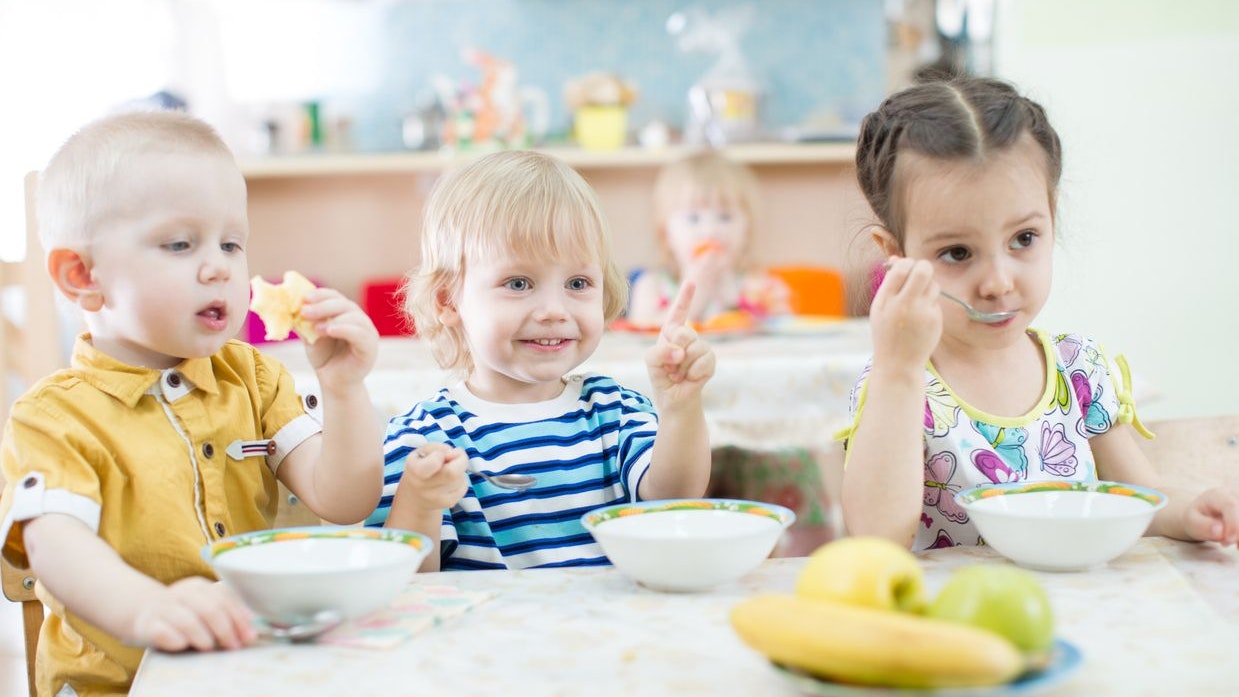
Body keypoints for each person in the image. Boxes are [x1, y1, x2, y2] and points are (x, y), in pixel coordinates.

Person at [0, 110, 384, 696]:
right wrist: (150, 610)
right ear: (82, 275)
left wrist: (344, 389)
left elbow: (344, 500)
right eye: (180, 244)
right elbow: (55, 547)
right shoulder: (53, 419)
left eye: (233, 243)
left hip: (248, 667)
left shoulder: (254, 377)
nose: (218, 267)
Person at [837, 77, 1239, 551]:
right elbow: (877, 538)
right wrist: (898, 369)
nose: (998, 282)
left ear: (1052, 216)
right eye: (958, 252)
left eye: (1023, 239)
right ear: (895, 255)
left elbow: (1139, 497)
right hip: (958, 619)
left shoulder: (1079, 369)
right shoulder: (898, 386)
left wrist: (1188, 511)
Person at [364, 150, 715, 571]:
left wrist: (680, 408)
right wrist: (421, 500)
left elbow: (674, 500)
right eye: (518, 283)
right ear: (448, 300)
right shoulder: (424, 439)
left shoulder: (616, 411)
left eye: (578, 283)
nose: (554, 310)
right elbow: (409, 579)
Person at [626, 150, 790, 327]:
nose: (710, 231)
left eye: (725, 217)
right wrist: (692, 301)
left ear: (747, 231)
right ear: (666, 235)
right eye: (693, 219)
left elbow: (783, 339)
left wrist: (733, 301)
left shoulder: (766, 288)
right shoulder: (652, 287)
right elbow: (642, 339)